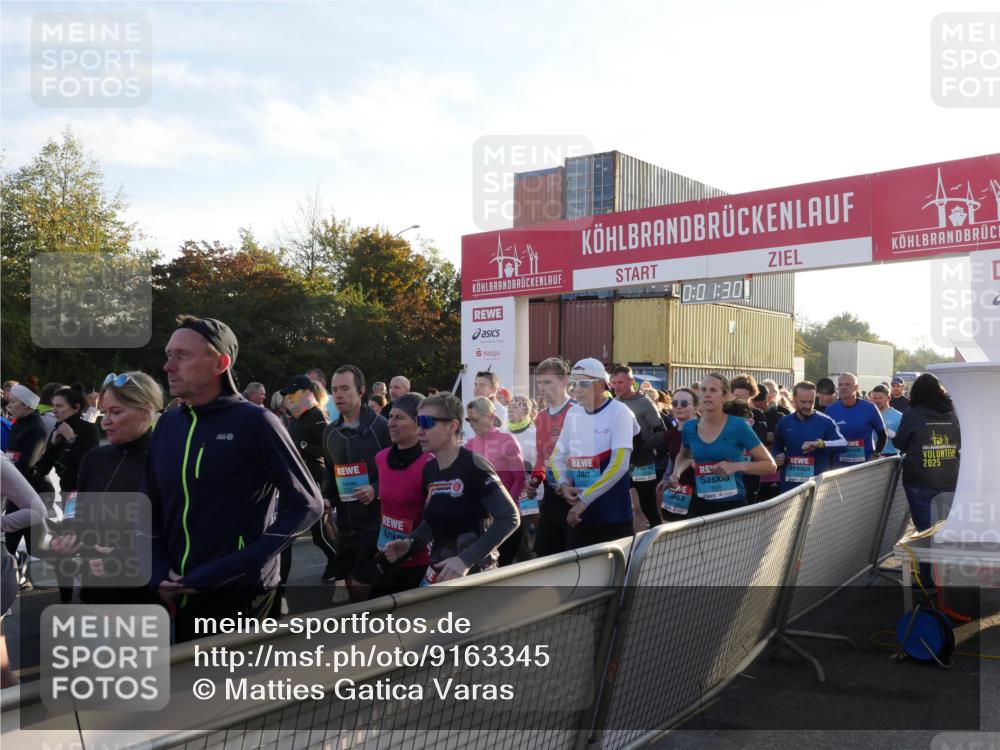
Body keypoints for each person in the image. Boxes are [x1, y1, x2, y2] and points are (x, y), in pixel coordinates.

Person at [147, 315, 323, 642]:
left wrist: (246, 561)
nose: (168, 366)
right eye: (169, 354)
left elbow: (308, 504)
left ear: (220, 363)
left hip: (240, 595)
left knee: (235, 692)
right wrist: (159, 574)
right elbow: (151, 507)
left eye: (181, 355)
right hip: (174, 591)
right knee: (188, 689)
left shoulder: (257, 423)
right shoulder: (168, 425)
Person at [49, 372, 163, 606]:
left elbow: (175, 535)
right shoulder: (95, 458)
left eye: (116, 412)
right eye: (104, 411)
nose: (105, 421)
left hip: (144, 599)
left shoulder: (166, 462)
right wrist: (69, 533)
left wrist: (124, 558)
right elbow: (77, 506)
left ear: (146, 410)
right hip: (94, 592)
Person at [382, 392, 518, 583]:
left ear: (452, 426)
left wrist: (465, 560)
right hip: (438, 571)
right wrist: (410, 543)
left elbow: (509, 518)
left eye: (427, 423)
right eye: (418, 423)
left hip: (473, 576)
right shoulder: (430, 468)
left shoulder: (474, 465)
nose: (420, 431)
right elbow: (435, 520)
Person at [549, 358, 640, 548]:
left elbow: (619, 465)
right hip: (580, 515)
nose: (577, 389)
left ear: (601, 385)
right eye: (573, 384)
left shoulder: (619, 412)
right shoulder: (573, 413)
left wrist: (584, 500)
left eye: (584, 383)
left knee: (618, 576)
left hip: (612, 514)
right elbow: (556, 457)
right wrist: (564, 484)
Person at [658, 374, 776, 518]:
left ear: (725, 396)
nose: (707, 394)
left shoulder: (738, 426)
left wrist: (736, 466)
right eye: (704, 390)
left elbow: (770, 465)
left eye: (713, 390)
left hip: (732, 505)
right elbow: (684, 455)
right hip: (700, 503)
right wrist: (676, 472)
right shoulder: (690, 427)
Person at [321, 364, 390, 602]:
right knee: (351, 587)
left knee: (364, 587)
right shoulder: (330, 432)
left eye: (344, 389)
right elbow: (330, 474)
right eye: (334, 390)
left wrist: (376, 488)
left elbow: (399, 471)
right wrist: (326, 498)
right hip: (345, 526)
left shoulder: (381, 428)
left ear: (361, 391)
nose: (338, 395)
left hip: (376, 524)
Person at [32, 383, 101, 602]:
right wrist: (52, 445)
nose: (54, 410)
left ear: (76, 407)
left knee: (84, 546)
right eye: (53, 405)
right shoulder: (57, 429)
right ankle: (66, 598)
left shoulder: (88, 429)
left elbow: (89, 467)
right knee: (65, 550)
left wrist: (72, 439)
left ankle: (89, 593)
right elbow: (42, 470)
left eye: (60, 406)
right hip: (68, 496)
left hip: (87, 497)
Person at [894, 373, 961, 589]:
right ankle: (947, 578)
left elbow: (901, 443)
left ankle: (928, 581)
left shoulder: (912, 413)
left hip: (920, 480)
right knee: (946, 530)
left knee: (925, 531)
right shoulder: (953, 413)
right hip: (950, 477)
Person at [370, 393, 434, 595]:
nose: (391, 423)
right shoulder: (380, 458)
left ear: (418, 423)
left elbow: (435, 519)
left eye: (399, 418)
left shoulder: (430, 463)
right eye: (390, 417)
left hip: (418, 562)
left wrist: (410, 545)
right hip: (385, 554)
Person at [281, 375, 339, 583]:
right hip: (300, 480)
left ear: (307, 393)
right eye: (287, 395)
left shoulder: (316, 415)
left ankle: (341, 566)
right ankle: (337, 565)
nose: (288, 398)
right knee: (316, 535)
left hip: (315, 479)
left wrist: (303, 447)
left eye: (292, 394)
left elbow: (328, 448)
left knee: (320, 534)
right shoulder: (299, 417)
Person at [523, 357, 575, 557]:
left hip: (574, 495)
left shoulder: (577, 411)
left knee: (572, 554)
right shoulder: (541, 416)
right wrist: (535, 480)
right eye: (539, 383)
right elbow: (541, 459)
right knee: (545, 553)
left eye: (548, 382)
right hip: (552, 495)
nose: (542, 388)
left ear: (564, 381)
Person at [465, 397, 525, 565]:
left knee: (503, 571)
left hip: (505, 519)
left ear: (490, 417)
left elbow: (519, 479)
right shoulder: (469, 445)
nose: (471, 424)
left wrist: (503, 508)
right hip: (480, 521)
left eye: (475, 419)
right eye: (469, 420)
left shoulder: (507, 440)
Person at [610, 365, 663, 529]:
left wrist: (647, 447)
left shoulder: (644, 402)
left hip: (643, 462)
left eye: (621, 382)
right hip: (621, 461)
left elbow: (661, 430)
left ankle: (658, 537)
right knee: (621, 503)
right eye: (614, 383)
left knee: (648, 506)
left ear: (631, 381)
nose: (617, 386)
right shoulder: (613, 403)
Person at [772, 382, 847, 493]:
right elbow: (777, 447)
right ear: (794, 399)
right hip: (789, 487)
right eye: (803, 402)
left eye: (811, 402)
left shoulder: (826, 421)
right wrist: (777, 457)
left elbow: (843, 444)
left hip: (817, 487)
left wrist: (820, 444)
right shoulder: (784, 422)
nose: (807, 406)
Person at [825, 372, 887, 468]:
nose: (843, 387)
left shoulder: (870, 408)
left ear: (856, 387)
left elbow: (882, 434)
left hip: (864, 466)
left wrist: (876, 454)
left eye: (847, 384)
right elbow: (826, 439)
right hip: (838, 468)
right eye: (840, 385)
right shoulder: (830, 410)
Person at [660, 388, 699, 520]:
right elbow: (672, 458)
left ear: (695, 407)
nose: (678, 407)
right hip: (676, 492)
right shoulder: (671, 434)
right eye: (675, 403)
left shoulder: (703, 429)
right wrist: (665, 479)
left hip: (700, 494)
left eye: (683, 403)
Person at [731, 376, 771, 503]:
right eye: (737, 396)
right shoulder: (724, 414)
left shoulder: (758, 415)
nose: (740, 401)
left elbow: (760, 441)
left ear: (751, 397)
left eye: (744, 398)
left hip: (750, 471)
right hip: (729, 471)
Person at [465, 371, 508, 440]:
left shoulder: (501, 411)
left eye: (482, 386)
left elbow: (499, 439)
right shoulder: (471, 408)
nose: (476, 389)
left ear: (494, 390)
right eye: (475, 385)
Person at [870, 384, 903, 456]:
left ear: (889, 398)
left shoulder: (899, 416)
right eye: (875, 398)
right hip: (872, 456)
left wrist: (891, 434)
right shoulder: (869, 415)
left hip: (891, 457)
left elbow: (903, 440)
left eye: (880, 398)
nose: (877, 401)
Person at [506, 395, 537, 472]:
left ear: (526, 411)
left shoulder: (536, 434)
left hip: (532, 481)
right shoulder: (503, 433)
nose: (510, 410)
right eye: (509, 407)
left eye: (515, 407)